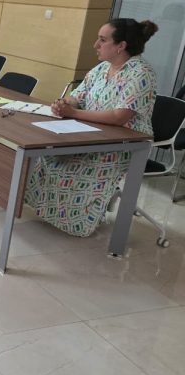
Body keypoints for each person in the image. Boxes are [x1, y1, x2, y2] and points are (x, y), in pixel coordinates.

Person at [24, 18, 158, 237]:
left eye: (102, 40)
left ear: (121, 46)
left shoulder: (141, 73)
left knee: (80, 167)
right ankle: (53, 214)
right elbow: (79, 96)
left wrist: (74, 113)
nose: (96, 45)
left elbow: (120, 116)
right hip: (89, 132)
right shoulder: (102, 68)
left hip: (124, 143)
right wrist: (65, 103)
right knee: (50, 156)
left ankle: (77, 223)